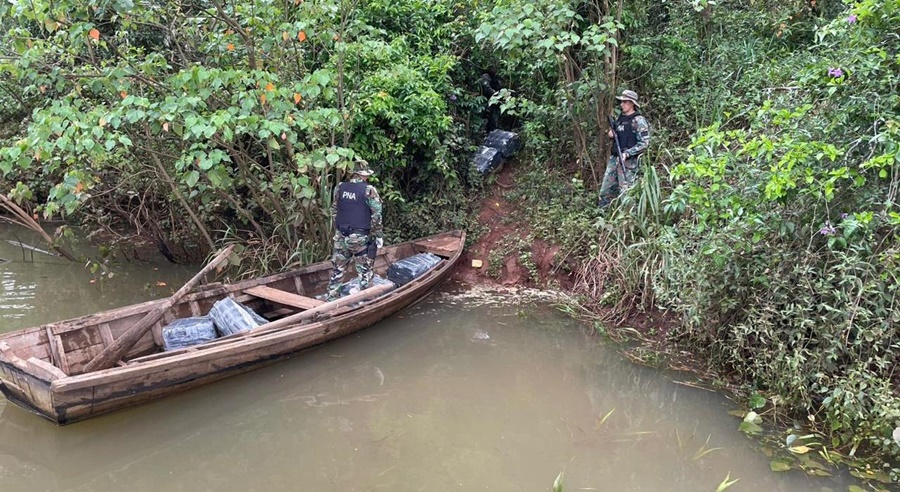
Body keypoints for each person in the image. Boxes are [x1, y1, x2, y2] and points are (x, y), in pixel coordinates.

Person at [325, 159, 383, 301]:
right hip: (360, 237)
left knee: (338, 269)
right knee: (365, 271)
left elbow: (334, 210)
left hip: (341, 235)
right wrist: (377, 235)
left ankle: (331, 300)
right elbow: (376, 214)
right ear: (363, 175)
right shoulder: (369, 190)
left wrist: (338, 229)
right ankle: (366, 302)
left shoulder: (340, 187)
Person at [598, 89, 651, 208]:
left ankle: (628, 220)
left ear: (632, 103)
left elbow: (644, 143)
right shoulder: (620, 118)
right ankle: (603, 216)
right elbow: (616, 133)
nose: (622, 104)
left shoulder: (638, 120)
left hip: (628, 162)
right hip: (615, 159)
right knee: (605, 191)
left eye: (625, 102)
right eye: (621, 102)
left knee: (626, 193)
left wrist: (628, 153)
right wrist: (611, 133)